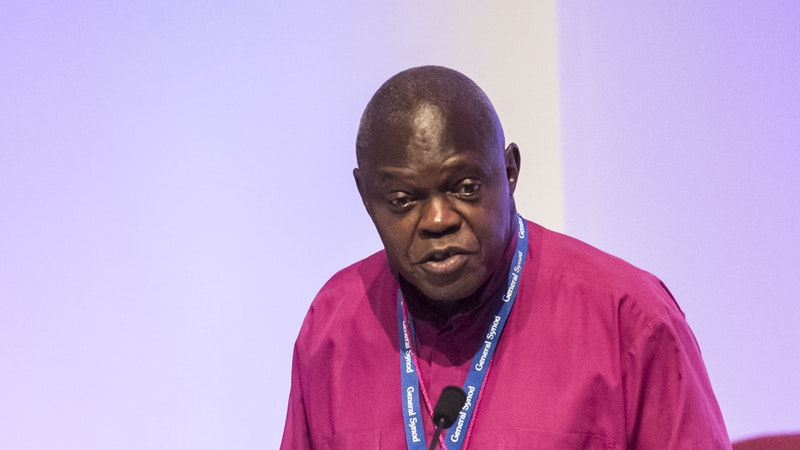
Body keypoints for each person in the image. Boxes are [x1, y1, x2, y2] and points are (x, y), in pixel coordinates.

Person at [280, 65, 731, 449]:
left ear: (510, 172)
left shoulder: (629, 318)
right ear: (365, 195)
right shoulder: (332, 326)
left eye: (465, 188)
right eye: (402, 199)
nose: (437, 220)